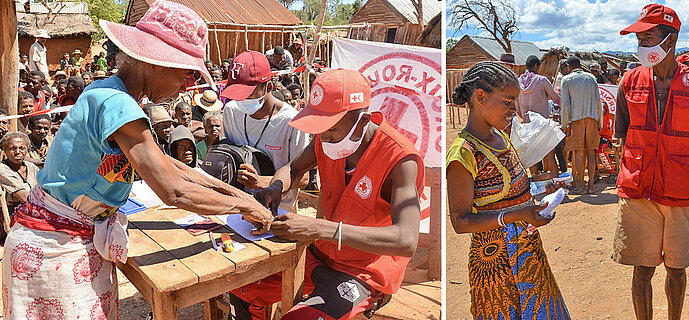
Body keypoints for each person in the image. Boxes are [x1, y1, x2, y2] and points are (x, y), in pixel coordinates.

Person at [1, 1, 274, 319]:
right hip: (55, 247)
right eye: (185, 74)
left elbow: (170, 165)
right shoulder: (119, 105)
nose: (186, 86)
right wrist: (244, 206)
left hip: (57, 239)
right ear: (156, 62)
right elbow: (175, 191)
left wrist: (241, 196)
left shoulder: (109, 92)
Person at [230, 69, 424, 320]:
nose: (323, 137)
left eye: (330, 129)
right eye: (319, 129)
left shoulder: (400, 159)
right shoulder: (329, 140)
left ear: (363, 121)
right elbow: (293, 167)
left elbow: (406, 241)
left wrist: (320, 228)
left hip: (364, 271)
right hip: (319, 255)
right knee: (241, 286)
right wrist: (276, 187)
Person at [447, 61, 570, 320]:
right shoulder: (464, 155)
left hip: (527, 252)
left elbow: (509, 191)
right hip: (495, 264)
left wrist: (539, 183)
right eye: (507, 102)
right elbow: (460, 221)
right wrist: (516, 216)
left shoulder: (501, 138)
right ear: (480, 97)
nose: (514, 110)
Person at [615, 5, 689, 320]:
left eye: (648, 38)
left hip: (680, 190)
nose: (641, 47)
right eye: (639, 41)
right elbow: (622, 135)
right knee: (642, 270)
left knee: (677, 269)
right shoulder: (628, 82)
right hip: (638, 189)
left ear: (670, 40)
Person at [219, 50, 310, 213]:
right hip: (239, 205)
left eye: (249, 94)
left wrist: (261, 182)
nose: (243, 100)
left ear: (268, 87)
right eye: (238, 94)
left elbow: (303, 178)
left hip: (277, 209)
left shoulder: (292, 121)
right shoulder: (231, 110)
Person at [560, 56, 602, 194]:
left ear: (568, 66)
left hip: (576, 121)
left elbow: (565, 105)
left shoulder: (567, 80)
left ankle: (581, 187)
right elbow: (598, 103)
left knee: (578, 152)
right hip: (592, 119)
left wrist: (564, 124)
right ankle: (591, 186)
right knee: (591, 153)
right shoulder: (591, 78)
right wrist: (599, 122)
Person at [517, 55, 562, 174]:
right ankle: (555, 182)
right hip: (542, 124)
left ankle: (535, 184)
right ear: (536, 66)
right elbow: (556, 99)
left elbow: (516, 107)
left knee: (532, 157)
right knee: (550, 154)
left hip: (527, 124)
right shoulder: (542, 80)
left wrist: (524, 117)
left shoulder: (518, 82)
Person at [0, 132, 39, 213]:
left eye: (22, 148)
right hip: (15, 213)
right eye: (12, 148)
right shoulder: (2, 170)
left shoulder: (32, 167)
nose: (17, 152)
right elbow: (24, 197)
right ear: (4, 149)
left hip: (36, 207)